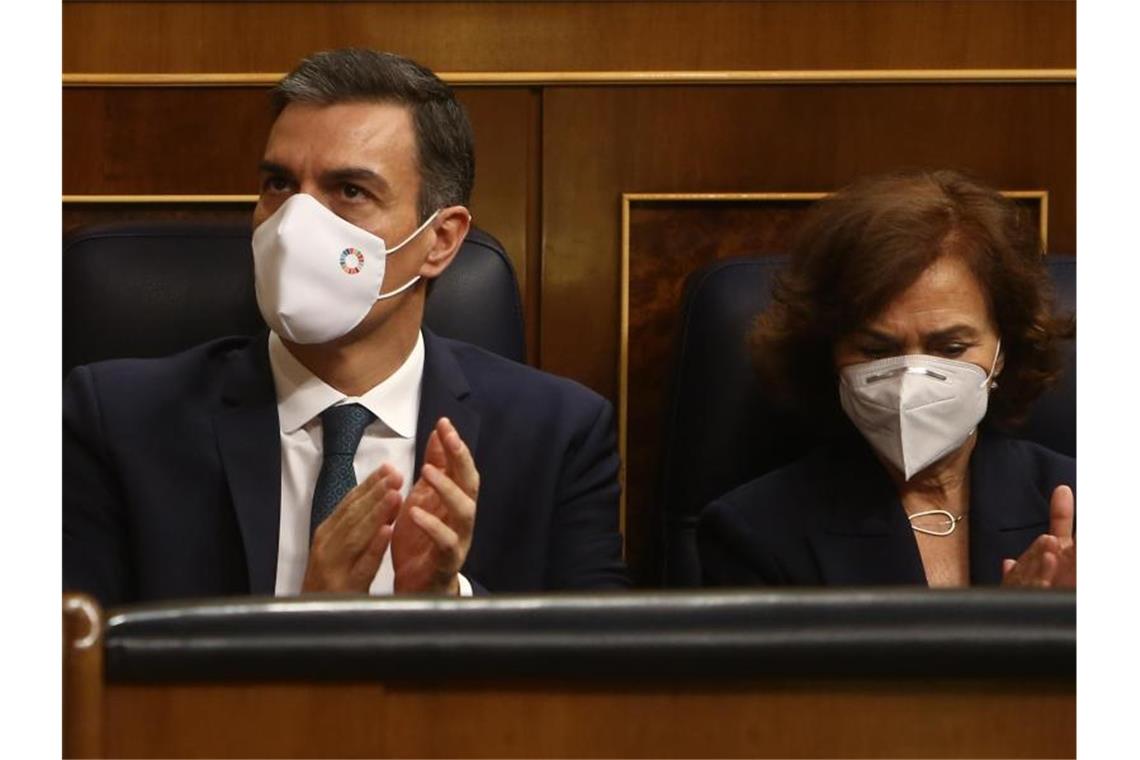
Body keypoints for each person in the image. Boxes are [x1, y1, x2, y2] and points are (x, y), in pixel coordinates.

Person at [63, 49, 628, 607]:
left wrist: (446, 600)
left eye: (350, 191)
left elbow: (608, 680)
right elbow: (70, 675)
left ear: (441, 241)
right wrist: (305, 621)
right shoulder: (117, 421)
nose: (294, 224)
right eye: (280, 185)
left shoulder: (558, 434)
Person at [698, 170, 1075, 589]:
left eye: (950, 349)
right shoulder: (756, 532)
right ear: (830, 352)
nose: (911, 380)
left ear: (1003, 350)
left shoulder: (1086, 507)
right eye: (877, 351)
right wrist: (1015, 635)